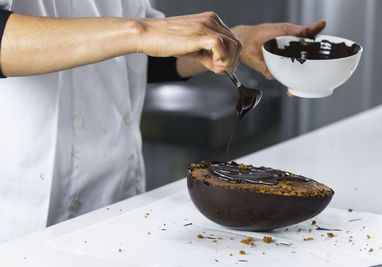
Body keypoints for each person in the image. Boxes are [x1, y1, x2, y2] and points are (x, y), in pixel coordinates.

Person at [0, 0, 325, 242]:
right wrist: (140, 31)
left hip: (117, 208)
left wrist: (233, 39)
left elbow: (139, 58)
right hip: (24, 221)